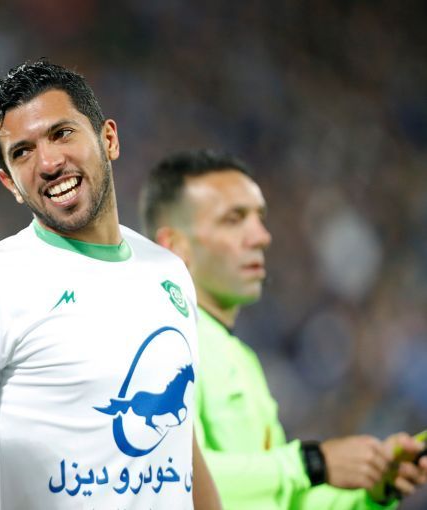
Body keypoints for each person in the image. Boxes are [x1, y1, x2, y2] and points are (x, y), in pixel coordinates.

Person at [0, 60, 221, 510]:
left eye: (62, 134)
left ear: (109, 139)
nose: (48, 163)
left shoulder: (168, 272)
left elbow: (182, 446)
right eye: (22, 153)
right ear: (10, 183)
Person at [139, 148, 427, 509]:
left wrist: (372, 490)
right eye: (234, 219)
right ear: (174, 247)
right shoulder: (157, 341)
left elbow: (282, 500)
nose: (261, 236)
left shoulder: (241, 358)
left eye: (259, 218)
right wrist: (312, 463)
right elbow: (169, 478)